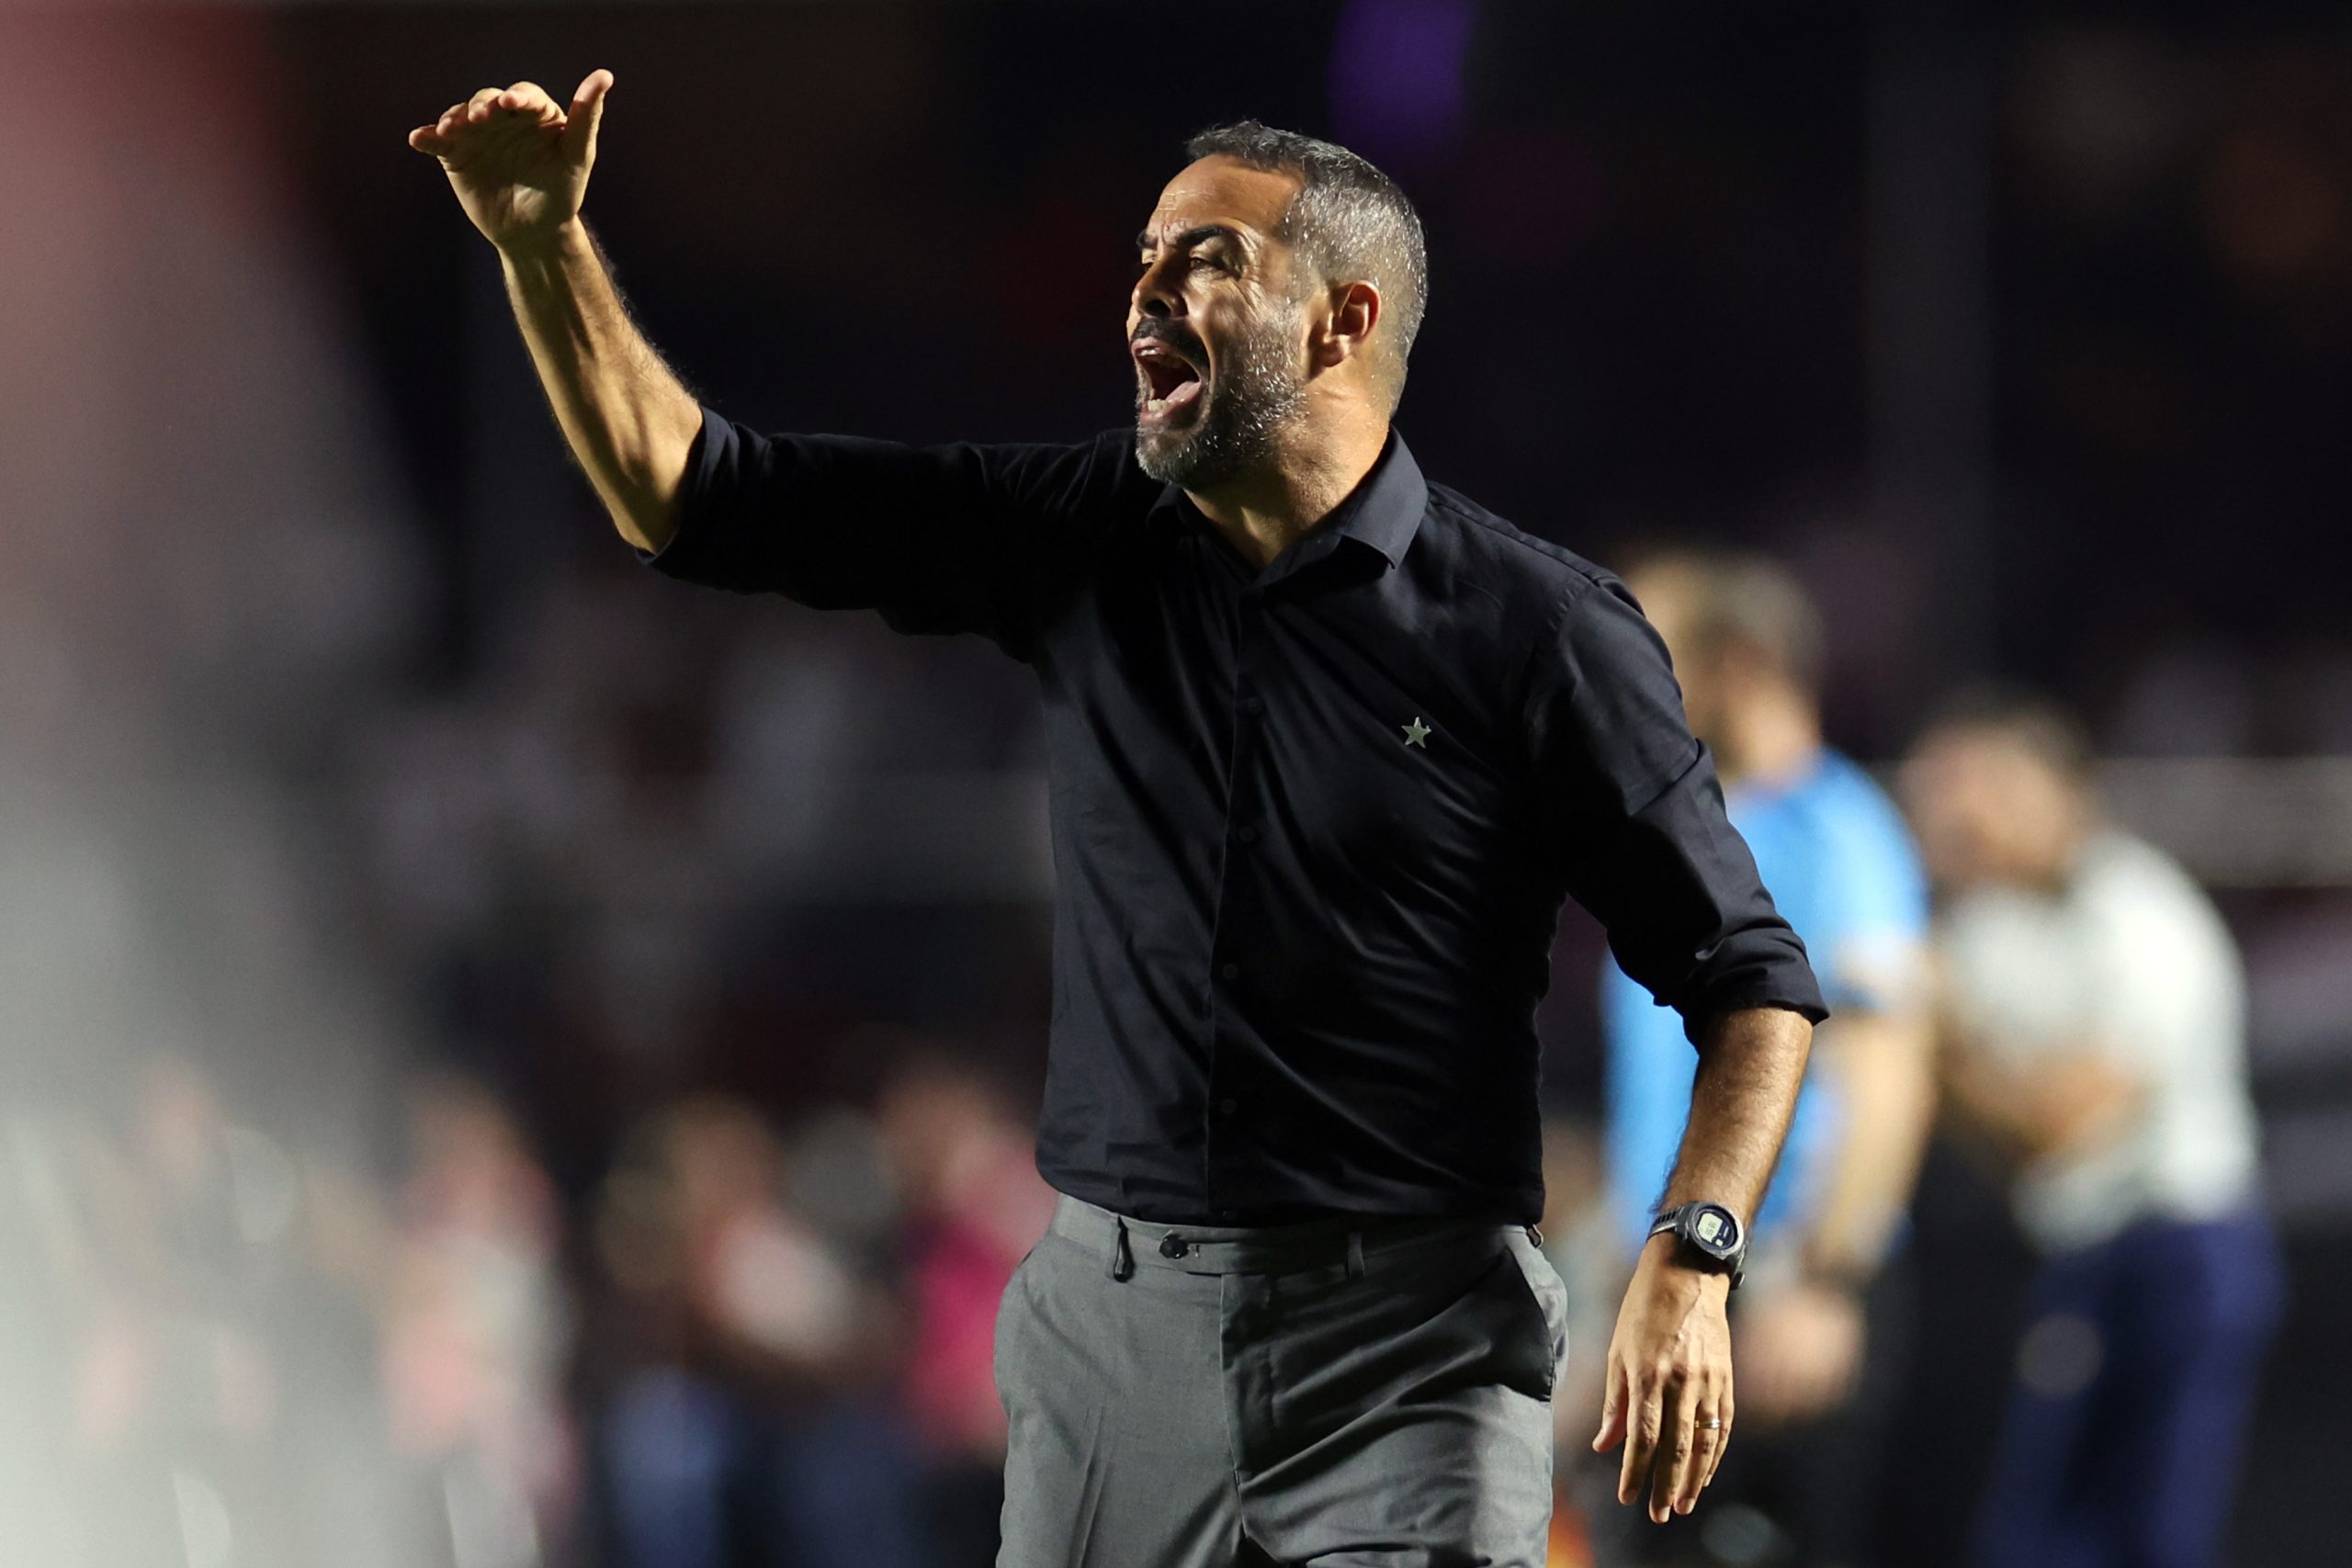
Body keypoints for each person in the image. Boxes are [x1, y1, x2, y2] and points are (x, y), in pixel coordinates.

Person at [408, 73, 1826, 1567]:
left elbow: (1753, 979)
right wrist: (541, 249)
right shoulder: (1082, 536)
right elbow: (690, 492)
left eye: (1202, 263)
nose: (1142, 294)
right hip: (1114, 1326)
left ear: (1344, 322)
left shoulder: (1537, 631)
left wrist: (1696, 1251)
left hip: (1406, 1341)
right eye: (1143, 259)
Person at [1597, 555, 1933, 1568]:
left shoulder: (1842, 832)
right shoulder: (1687, 832)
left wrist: (1823, 1281)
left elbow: (1887, 1069)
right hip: (1672, 1271)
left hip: (1774, 1280)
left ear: (1738, 665)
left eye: (1647, 652)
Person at [1901, 694, 2280, 1568]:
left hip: (2178, 1249)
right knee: (2033, 1539)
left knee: (2149, 1537)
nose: (1956, 815)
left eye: (1982, 786)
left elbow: (2067, 1125)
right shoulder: (1987, 925)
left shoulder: (2139, 915)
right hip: (2074, 1251)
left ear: (2058, 788)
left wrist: (1940, 1045)